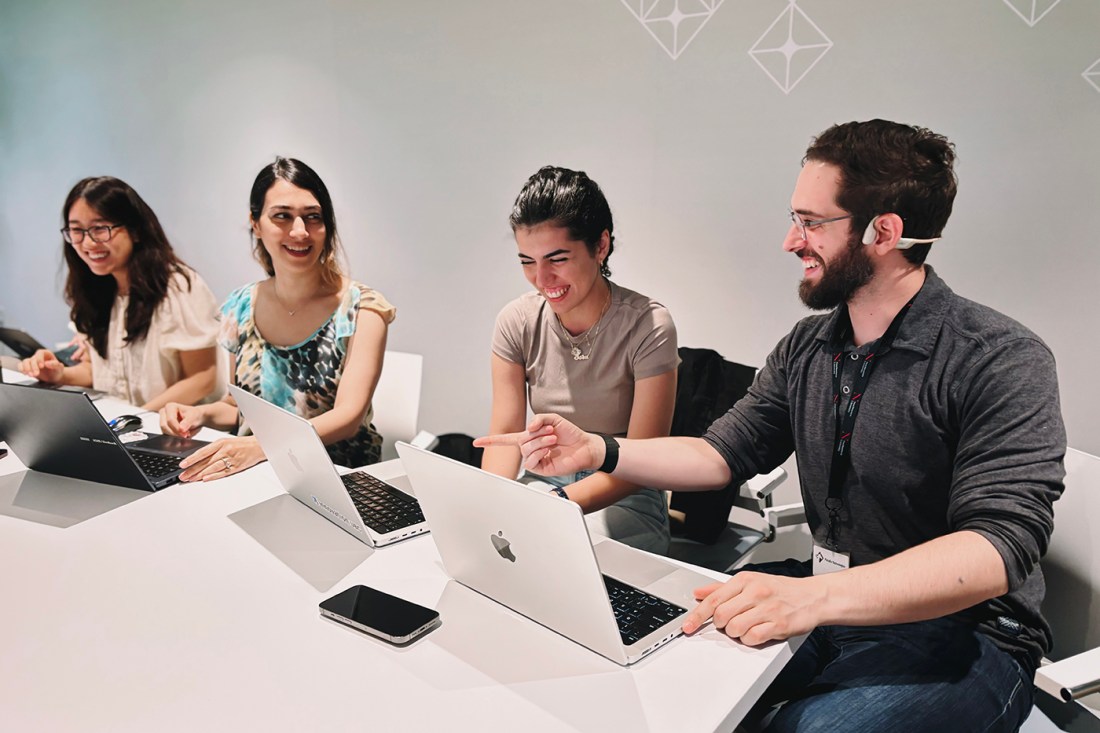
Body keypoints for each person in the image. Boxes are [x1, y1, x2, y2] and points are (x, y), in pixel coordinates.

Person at [477, 120, 1066, 731]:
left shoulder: (998, 357)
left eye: (812, 222)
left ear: (883, 232)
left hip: (966, 633)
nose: (791, 240)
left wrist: (812, 598)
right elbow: (718, 456)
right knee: (649, 680)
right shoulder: (809, 346)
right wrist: (599, 449)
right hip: (826, 602)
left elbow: (998, 548)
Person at [481, 165, 679, 554]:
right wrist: (493, 503)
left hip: (624, 489)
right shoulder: (516, 321)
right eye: (527, 261)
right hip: (543, 482)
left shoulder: (648, 325)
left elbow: (644, 459)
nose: (542, 279)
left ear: (600, 246)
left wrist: (559, 506)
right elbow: (505, 437)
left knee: (569, 559)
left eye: (557, 259)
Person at [159, 157, 394, 482]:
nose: (300, 231)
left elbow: (348, 417)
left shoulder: (363, 309)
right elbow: (236, 406)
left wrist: (261, 447)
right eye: (282, 216)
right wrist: (199, 412)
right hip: (254, 476)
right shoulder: (239, 307)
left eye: (313, 218)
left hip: (340, 482)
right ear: (255, 223)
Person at [19, 177, 218, 411]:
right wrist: (58, 374)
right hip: (120, 426)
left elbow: (202, 379)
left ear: (135, 231)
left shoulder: (179, 286)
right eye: (77, 231)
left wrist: (139, 417)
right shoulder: (96, 289)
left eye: (100, 229)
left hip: (173, 431)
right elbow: (98, 370)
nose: (88, 243)